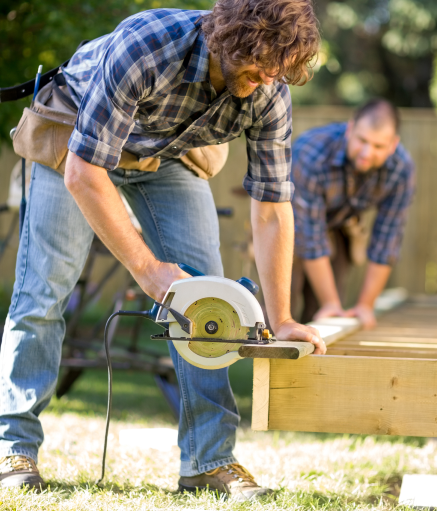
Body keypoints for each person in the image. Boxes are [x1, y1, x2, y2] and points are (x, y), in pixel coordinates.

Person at [0, 0, 326, 500]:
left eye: (277, 70)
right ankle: (13, 446)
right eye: (257, 65)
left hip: (163, 155)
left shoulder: (269, 89)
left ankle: (208, 461)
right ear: (228, 39)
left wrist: (282, 319)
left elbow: (272, 208)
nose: (266, 78)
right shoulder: (148, 44)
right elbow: (84, 174)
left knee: (207, 305)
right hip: (76, 138)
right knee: (44, 290)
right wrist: (148, 270)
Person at [291, 99, 415, 328]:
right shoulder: (311, 152)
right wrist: (330, 302)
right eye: (362, 140)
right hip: (290, 221)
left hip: (339, 224)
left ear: (393, 145)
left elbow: (386, 241)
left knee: (326, 313)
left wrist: (365, 305)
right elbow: (310, 237)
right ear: (350, 129)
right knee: (284, 298)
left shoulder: (401, 169)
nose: (367, 153)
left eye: (378, 146)